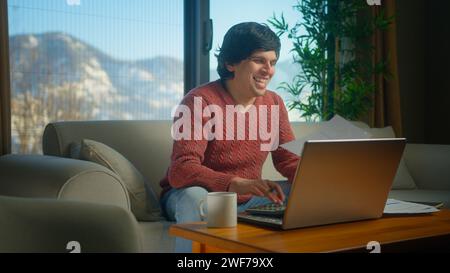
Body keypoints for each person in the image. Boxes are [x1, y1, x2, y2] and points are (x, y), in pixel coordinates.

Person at [159, 22, 300, 252]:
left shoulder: (274, 103)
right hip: (194, 194)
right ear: (230, 63)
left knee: (305, 190)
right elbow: (181, 170)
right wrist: (235, 183)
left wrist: (318, 178)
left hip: (248, 198)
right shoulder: (199, 101)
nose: (268, 70)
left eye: (272, 62)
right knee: (196, 198)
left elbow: (287, 160)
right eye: (258, 60)